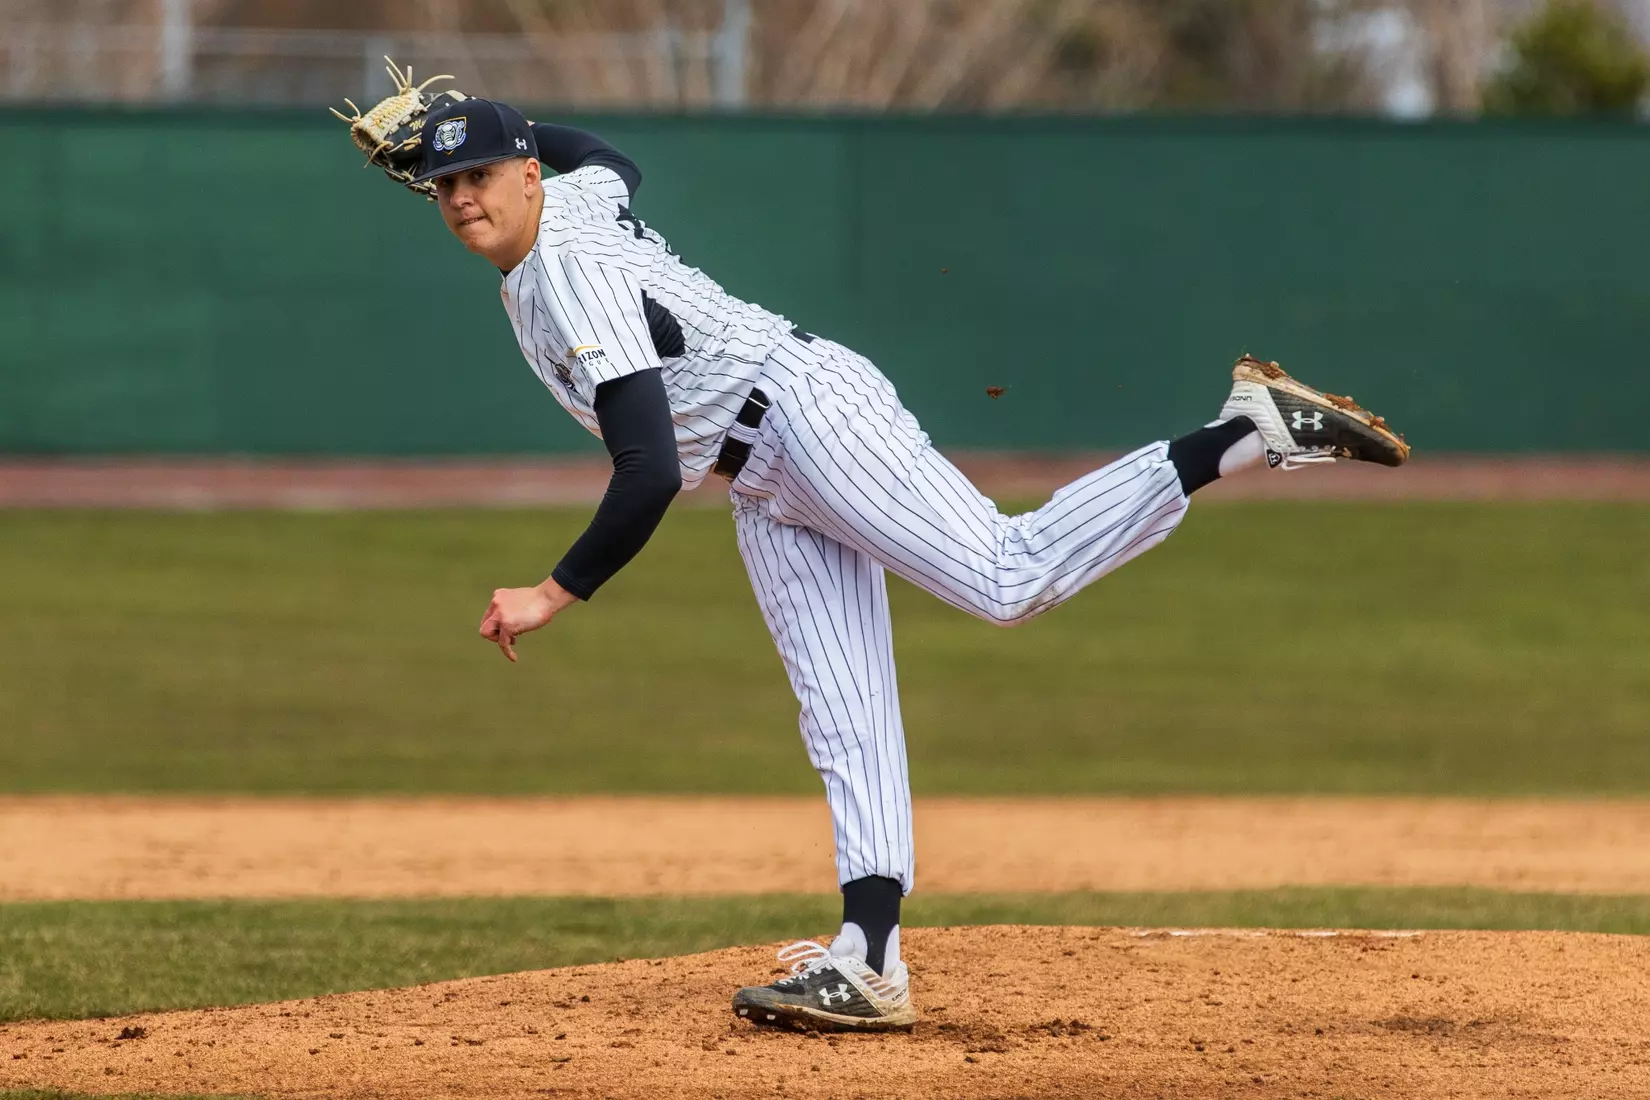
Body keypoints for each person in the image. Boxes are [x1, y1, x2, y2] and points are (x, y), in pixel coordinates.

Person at [407, 98, 1408, 1032]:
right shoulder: (572, 196)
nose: (462, 199)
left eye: (481, 175)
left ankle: (1239, 435)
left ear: (527, 175)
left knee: (1008, 574)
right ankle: (871, 953)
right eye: (444, 184)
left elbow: (648, 468)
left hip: (805, 415)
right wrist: (478, 128)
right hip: (762, 476)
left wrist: (553, 590)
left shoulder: (570, 273)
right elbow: (612, 160)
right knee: (842, 708)